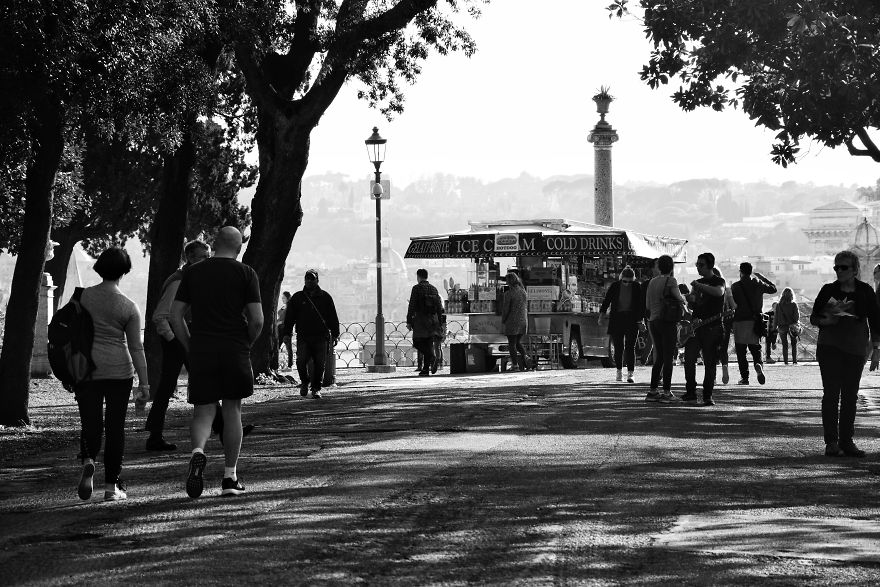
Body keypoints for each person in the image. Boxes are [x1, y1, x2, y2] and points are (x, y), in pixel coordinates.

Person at [172, 226, 263, 498]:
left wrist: (190, 346)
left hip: (202, 348)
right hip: (234, 348)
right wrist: (246, 342)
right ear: (239, 248)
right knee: (232, 410)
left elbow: (175, 316)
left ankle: (198, 451)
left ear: (215, 243)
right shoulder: (246, 273)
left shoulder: (192, 272)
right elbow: (257, 320)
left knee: (203, 410)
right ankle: (229, 477)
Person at [75, 247, 148, 502]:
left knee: (91, 423)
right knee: (115, 428)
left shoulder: (82, 298)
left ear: (99, 267)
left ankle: (88, 460)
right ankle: (110, 486)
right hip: (119, 371)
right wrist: (145, 384)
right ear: (125, 272)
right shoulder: (128, 306)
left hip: (86, 370)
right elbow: (136, 348)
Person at [810, 250, 880, 457]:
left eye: (844, 267)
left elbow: (875, 322)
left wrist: (876, 350)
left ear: (855, 270)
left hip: (856, 349)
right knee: (831, 394)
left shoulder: (866, 291)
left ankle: (846, 441)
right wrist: (826, 321)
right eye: (836, 267)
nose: (839, 271)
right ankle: (831, 443)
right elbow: (814, 318)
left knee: (850, 396)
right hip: (829, 347)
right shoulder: (827, 290)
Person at [145, 241, 211, 452]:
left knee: (198, 382)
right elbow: (160, 316)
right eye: (204, 256)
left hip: (183, 338)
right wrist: (175, 340)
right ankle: (154, 436)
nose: (208, 260)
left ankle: (155, 435)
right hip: (176, 340)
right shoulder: (178, 281)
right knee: (169, 387)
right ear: (191, 257)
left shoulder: (190, 278)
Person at [282, 269, 340, 397]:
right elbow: (290, 317)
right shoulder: (297, 298)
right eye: (307, 278)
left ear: (317, 280)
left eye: (312, 278)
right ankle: (305, 382)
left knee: (320, 364)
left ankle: (316, 388)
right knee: (301, 361)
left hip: (321, 336)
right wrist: (287, 333)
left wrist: (335, 334)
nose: (309, 280)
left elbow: (332, 317)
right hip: (303, 336)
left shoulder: (326, 297)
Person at [681, 253, 726, 406]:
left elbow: (719, 292)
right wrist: (690, 299)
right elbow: (693, 304)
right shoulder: (697, 283)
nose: (698, 267)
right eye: (697, 264)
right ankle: (691, 392)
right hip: (697, 327)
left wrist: (698, 286)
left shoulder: (719, 281)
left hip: (713, 327)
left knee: (710, 362)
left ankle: (707, 395)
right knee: (689, 359)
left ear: (710, 266)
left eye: (701, 265)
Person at [644, 255, 686, 402]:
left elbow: (648, 306)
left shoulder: (652, 282)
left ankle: (653, 391)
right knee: (668, 357)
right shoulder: (671, 281)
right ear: (672, 267)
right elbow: (679, 299)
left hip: (653, 322)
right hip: (667, 322)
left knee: (659, 357)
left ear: (659, 267)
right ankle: (667, 393)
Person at [730, 262, 777, 385]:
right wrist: (761, 277)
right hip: (755, 321)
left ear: (740, 271)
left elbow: (732, 304)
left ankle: (744, 378)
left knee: (741, 351)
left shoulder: (735, 286)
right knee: (755, 348)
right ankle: (758, 364)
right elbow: (773, 289)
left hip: (739, 321)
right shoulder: (758, 283)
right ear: (751, 271)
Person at [599, 266, 645, 383]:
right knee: (619, 347)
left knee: (630, 347)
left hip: (632, 319)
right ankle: (619, 371)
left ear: (633, 280)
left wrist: (640, 321)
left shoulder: (636, 287)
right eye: (625, 281)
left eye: (630, 281)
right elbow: (607, 300)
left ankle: (630, 373)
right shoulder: (615, 286)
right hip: (617, 318)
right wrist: (602, 315)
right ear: (621, 278)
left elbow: (641, 305)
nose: (627, 284)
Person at [406, 268, 445, 376]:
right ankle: (425, 369)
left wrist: (409, 321)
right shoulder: (434, 289)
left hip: (420, 320)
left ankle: (432, 357)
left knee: (417, 342)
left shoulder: (416, 288)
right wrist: (440, 323)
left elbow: (412, 305)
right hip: (433, 320)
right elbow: (439, 307)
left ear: (418, 277)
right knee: (428, 343)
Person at [501, 271, 530, 372]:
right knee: (517, 342)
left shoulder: (509, 294)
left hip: (512, 321)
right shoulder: (523, 292)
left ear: (509, 282)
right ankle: (526, 356)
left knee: (511, 344)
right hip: (523, 321)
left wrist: (503, 320)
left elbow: (506, 309)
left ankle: (515, 365)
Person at [712, 266, 736, 384]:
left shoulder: (708, 288)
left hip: (711, 320)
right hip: (725, 321)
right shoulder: (727, 289)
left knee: (711, 348)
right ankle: (725, 367)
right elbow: (733, 305)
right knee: (723, 348)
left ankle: (713, 376)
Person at [775, 288, 800, 365]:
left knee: (784, 345)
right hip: (792, 327)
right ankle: (794, 361)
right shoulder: (793, 305)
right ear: (792, 295)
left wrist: (774, 328)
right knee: (794, 344)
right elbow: (796, 317)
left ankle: (786, 361)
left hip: (781, 327)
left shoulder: (778, 305)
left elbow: (776, 317)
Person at [277, 291, 292, 369]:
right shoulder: (284, 306)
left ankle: (290, 365)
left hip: (285, 329)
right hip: (279, 328)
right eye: (282, 298)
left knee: (288, 347)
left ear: (287, 298)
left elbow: (289, 319)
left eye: (284, 298)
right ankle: (276, 364)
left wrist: (280, 322)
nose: (282, 299)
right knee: (277, 346)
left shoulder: (289, 307)